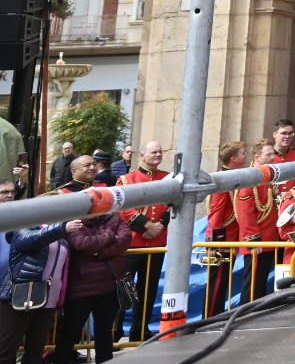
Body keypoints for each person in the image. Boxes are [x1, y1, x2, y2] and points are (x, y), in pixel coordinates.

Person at [52, 155, 131, 364]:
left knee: (105, 332)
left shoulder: (104, 188)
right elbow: (80, 243)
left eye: (94, 164)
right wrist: (108, 238)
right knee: (70, 331)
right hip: (80, 278)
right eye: (87, 165)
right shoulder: (63, 193)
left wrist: (101, 250)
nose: (92, 167)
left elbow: (124, 235)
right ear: (74, 170)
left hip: (108, 280)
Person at [0, 194, 70, 364]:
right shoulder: (25, 225)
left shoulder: (59, 228)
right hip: (21, 295)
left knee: (35, 351)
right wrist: (61, 228)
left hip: (48, 300)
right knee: (7, 350)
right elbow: (27, 241)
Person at [116, 141, 170, 340]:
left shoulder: (167, 178)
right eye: (154, 152)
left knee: (148, 290)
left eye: (160, 151)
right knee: (124, 290)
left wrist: (159, 226)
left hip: (156, 243)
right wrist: (146, 225)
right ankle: (115, 331)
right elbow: (122, 207)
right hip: (132, 244)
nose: (158, 155)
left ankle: (140, 331)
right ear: (142, 155)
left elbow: (173, 204)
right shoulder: (127, 179)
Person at [232, 141, 281, 303]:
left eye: (273, 154)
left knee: (261, 284)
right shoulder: (250, 178)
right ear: (257, 157)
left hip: (269, 239)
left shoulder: (267, 177)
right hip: (257, 242)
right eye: (269, 155)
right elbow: (245, 212)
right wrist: (252, 239)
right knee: (252, 286)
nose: (273, 157)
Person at [206, 142, 246, 317]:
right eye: (243, 153)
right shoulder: (223, 180)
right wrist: (215, 241)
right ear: (233, 159)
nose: (246, 156)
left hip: (231, 237)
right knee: (218, 282)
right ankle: (211, 316)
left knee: (223, 281)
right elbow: (217, 212)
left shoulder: (234, 176)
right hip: (222, 239)